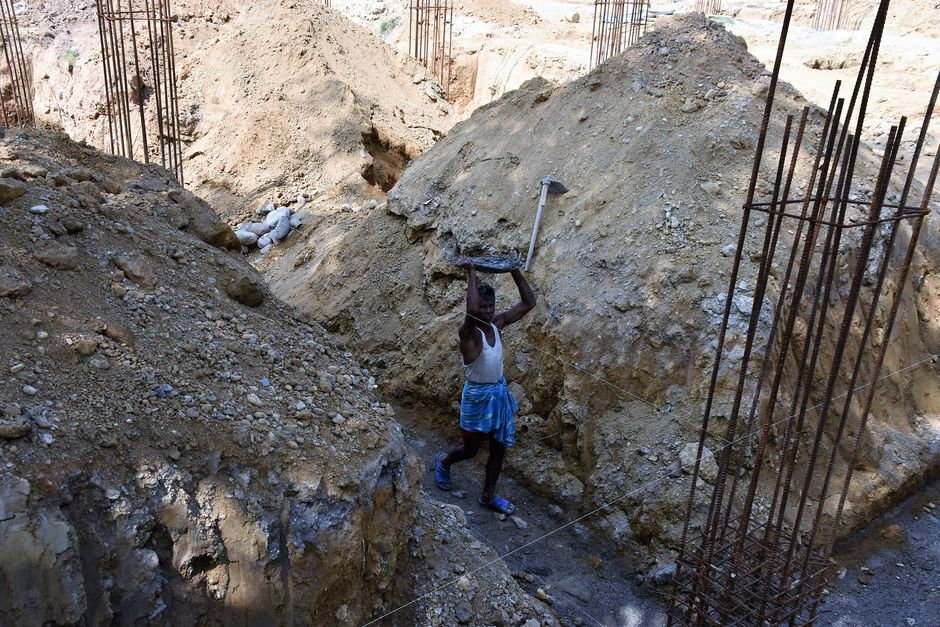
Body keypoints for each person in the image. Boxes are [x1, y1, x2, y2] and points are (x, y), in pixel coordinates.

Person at [434, 258, 536, 515]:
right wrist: (472, 274)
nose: (487, 311)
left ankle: (488, 496)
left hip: (497, 396)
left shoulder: (497, 324)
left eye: (490, 306)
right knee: (470, 449)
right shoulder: (468, 332)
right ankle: (445, 462)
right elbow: (470, 310)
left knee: (498, 450)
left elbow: (528, 303)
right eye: (483, 306)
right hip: (477, 397)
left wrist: (514, 269)